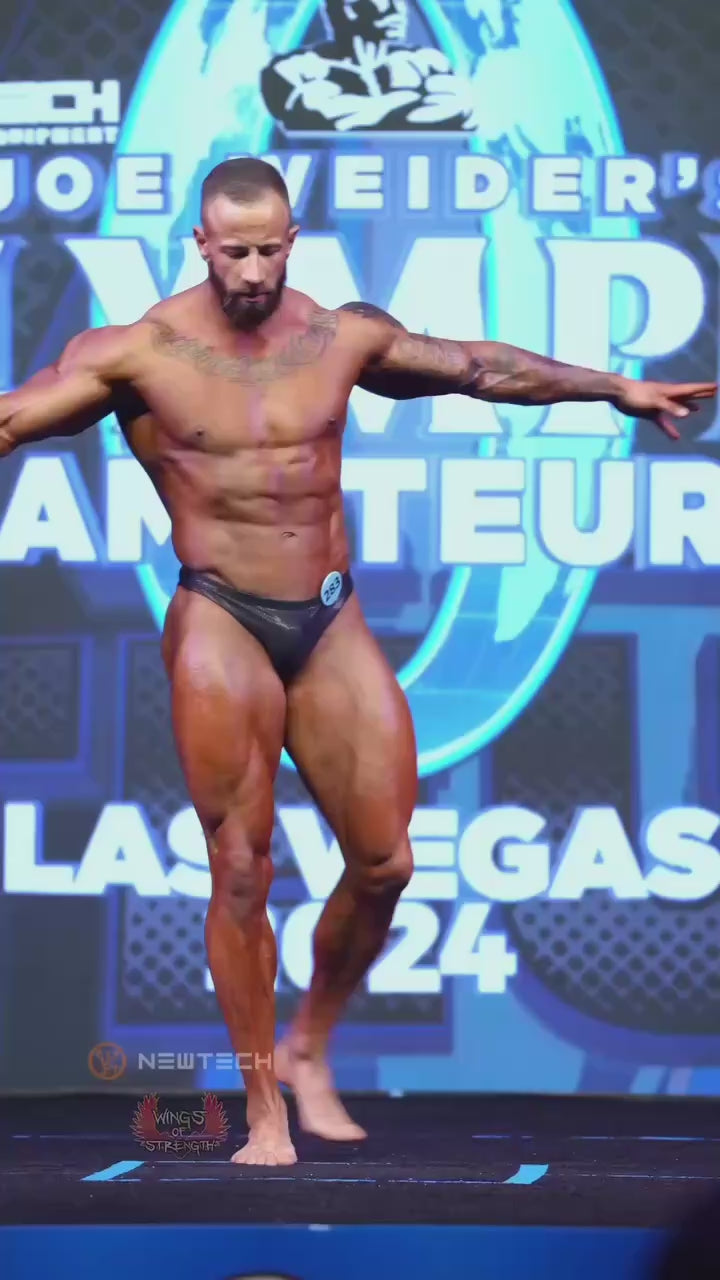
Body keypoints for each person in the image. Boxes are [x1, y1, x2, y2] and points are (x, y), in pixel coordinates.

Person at [0, 156, 714, 1166]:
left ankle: (309, 1042)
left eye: (268, 249)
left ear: (293, 241)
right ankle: (261, 1108)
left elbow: (480, 368)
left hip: (328, 619)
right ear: (200, 244)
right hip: (220, 615)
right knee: (240, 867)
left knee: (386, 861)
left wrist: (615, 388)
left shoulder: (342, 336)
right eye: (233, 251)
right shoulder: (136, 354)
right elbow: (14, 416)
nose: (253, 270)